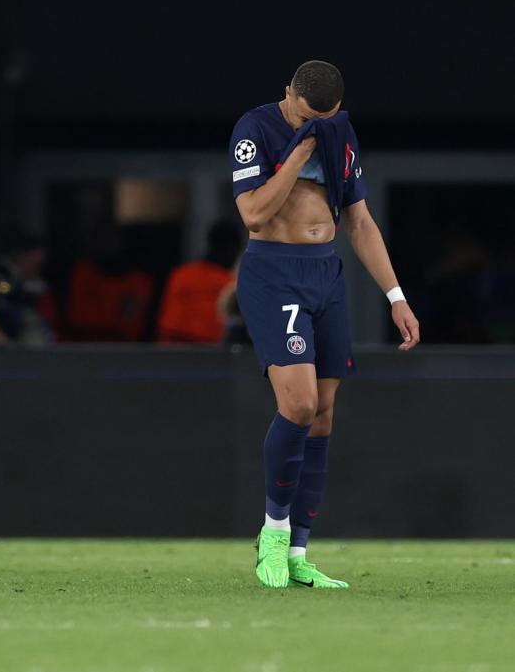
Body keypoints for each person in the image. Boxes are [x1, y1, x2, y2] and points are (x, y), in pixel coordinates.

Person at [231, 60, 420, 589]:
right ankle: (271, 531)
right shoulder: (257, 128)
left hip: (325, 273)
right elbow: (252, 212)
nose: (312, 122)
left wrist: (395, 296)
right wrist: (297, 156)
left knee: (324, 414)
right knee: (298, 403)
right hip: (274, 271)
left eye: (325, 116)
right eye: (306, 112)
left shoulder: (339, 129)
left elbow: (359, 221)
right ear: (287, 93)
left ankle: (297, 551)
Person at [155, 220, 243, 344]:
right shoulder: (230, 285)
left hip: (168, 349)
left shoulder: (180, 275)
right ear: (232, 249)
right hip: (208, 354)